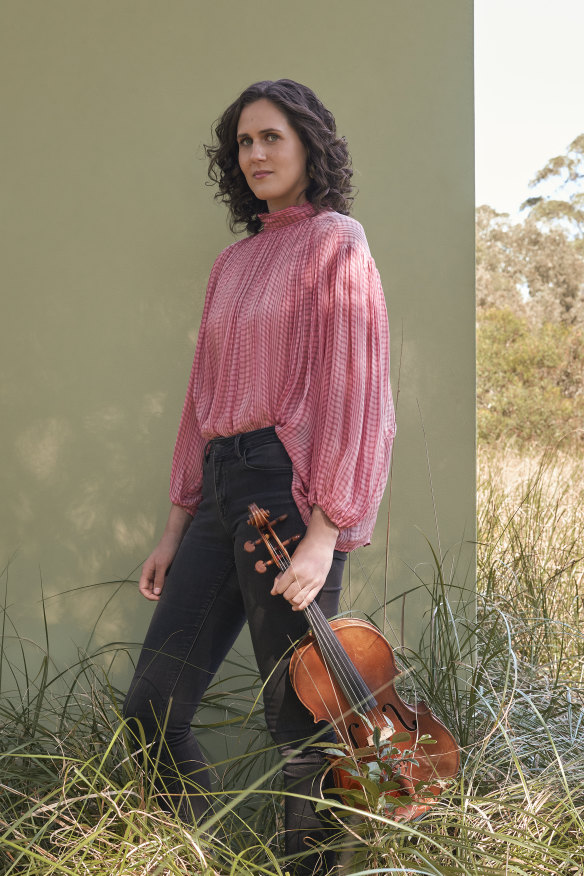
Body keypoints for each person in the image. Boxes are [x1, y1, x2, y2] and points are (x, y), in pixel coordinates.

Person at [123, 78, 395, 875]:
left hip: (290, 492)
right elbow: (199, 400)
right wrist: (177, 524)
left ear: (309, 145)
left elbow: (358, 390)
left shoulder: (337, 240)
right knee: (152, 706)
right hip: (219, 488)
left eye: (271, 137)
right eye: (244, 142)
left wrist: (327, 532)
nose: (256, 154)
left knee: (300, 726)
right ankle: (194, 855)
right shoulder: (232, 262)